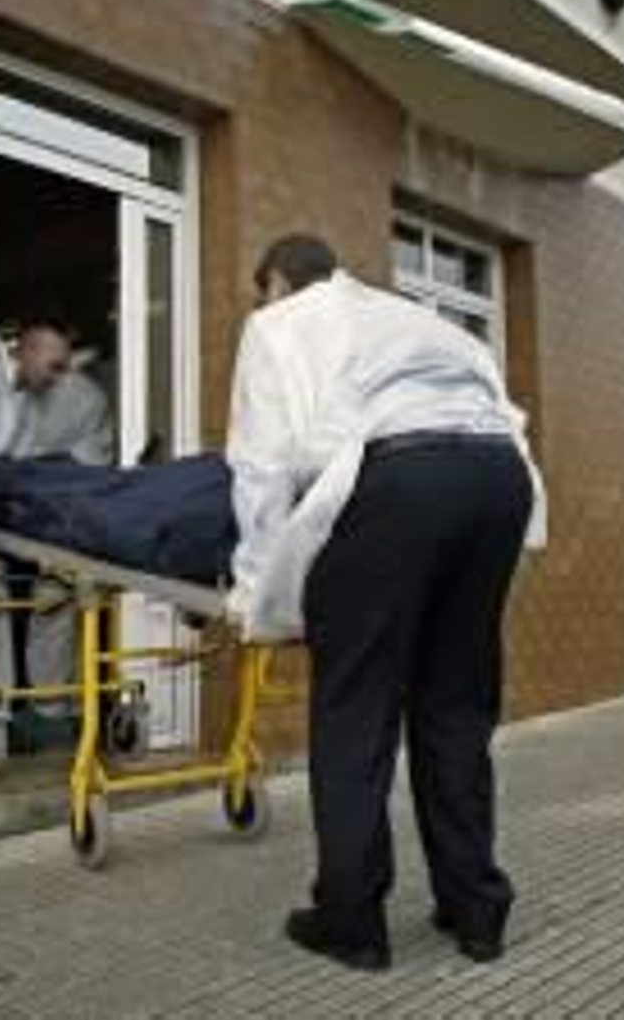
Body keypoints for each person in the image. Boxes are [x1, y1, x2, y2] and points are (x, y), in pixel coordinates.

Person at [225, 234, 545, 971]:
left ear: (277, 282)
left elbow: (261, 464)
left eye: (259, 291)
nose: (260, 304)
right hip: (498, 480)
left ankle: (352, 920)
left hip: (400, 482)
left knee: (355, 708)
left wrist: (256, 591)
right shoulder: (417, 319)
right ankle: (476, 908)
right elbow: (506, 413)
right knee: (455, 705)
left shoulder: (279, 322)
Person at [0, 318, 114, 749]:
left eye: (63, 368)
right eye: (52, 367)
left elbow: (73, 457)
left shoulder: (61, 395)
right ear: (25, 351)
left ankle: (50, 707)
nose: (57, 379)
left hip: (26, 500)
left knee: (56, 592)